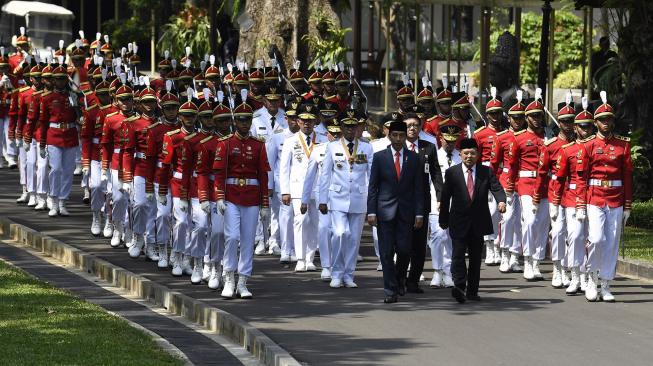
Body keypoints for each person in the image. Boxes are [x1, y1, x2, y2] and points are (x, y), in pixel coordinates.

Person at [213, 91, 270, 299]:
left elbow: (263, 175)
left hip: (252, 197)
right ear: (235, 121)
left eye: (247, 120)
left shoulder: (258, 144)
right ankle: (228, 276)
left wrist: (265, 204)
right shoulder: (226, 143)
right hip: (231, 196)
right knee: (231, 237)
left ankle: (243, 280)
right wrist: (219, 196)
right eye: (241, 120)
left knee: (247, 239)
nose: (244, 124)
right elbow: (219, 173)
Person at [309, 109, 373, 288]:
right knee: (339, 233)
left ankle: (349, 274)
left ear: (358, 127)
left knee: (353, 239)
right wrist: (322, 199)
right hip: (337, 197)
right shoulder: (333, 146)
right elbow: (325, 175)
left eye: (353, 126)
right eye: (347, 126)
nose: (350, 130)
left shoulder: (367, 147)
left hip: (359, 197)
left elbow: (372, 176)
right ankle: (336, 272)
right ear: (341, 127)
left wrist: (372, 202)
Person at [439, 138, 506, 303]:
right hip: (458, 221)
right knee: (458, 256)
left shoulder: (486, 171)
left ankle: (473, 291)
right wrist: (443, 219)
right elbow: (446, 197)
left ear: (478, 155)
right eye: (466, 153)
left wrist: (501, 201)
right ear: (460, 155)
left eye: (473, 153)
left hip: (478, 221)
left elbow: (496, 188)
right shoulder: (452, 172)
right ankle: (459, 286)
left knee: (476, 258)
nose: (469, 156)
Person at [367, 118, 424, 304]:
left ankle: (400, 278)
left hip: (406, 212)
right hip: (384, 212)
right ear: (389, 136)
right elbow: (373, 187)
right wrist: (372, 211)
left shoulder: (414, 158)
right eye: (395, 135)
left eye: (401, 135)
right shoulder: (379, 157)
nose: (398, 139)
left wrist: (419, 213)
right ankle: (390, 290)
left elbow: (418, 188)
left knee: (405, 250)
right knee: (385, 252)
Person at [583, 92, 632, 302]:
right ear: (595, 122)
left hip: (616, 198)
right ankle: (592, 277)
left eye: (609, 119)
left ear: (613, 121)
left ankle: (605, 283)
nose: (606, 123)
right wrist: (579, 203)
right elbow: (582, 176)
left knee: (611, 241)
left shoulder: (623, 145)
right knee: (596, 238)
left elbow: (628, 176)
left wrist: (628, 205)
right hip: (594, 197)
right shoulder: (588, 145)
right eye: (602, 120)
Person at [279, 102, 328, 272]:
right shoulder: (290, 141)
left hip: (319, 188)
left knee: (315, 223)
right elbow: (284, 168)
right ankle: (300, 258)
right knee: (301, 220)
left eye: (311, 120)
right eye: (303, 120)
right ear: (298, 121)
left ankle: (310, 257)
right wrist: (285, 191)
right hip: (298, 188)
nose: (307, 123)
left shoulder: (323, 139)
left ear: (316, 121)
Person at [403, 111, 442, 293]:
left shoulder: (429, 147)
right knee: (402, 243)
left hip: (422, 202)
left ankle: (413, 282)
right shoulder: (397, 147)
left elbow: (436, 173)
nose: (412, 128)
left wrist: (440, 197)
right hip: (401, 203)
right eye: (409, 125)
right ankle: (399, 278)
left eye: (415, 125)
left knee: (419, 245)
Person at [429, 125, 461, 288]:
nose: (450, 144)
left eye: (453, 141)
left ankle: (448, 272)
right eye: (447, 140)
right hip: (437, 202)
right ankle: (437, 271)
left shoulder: (461, 156)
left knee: (450, 238)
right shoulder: (434, 155)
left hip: (455, 204)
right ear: (441, 138)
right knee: (437, 236)